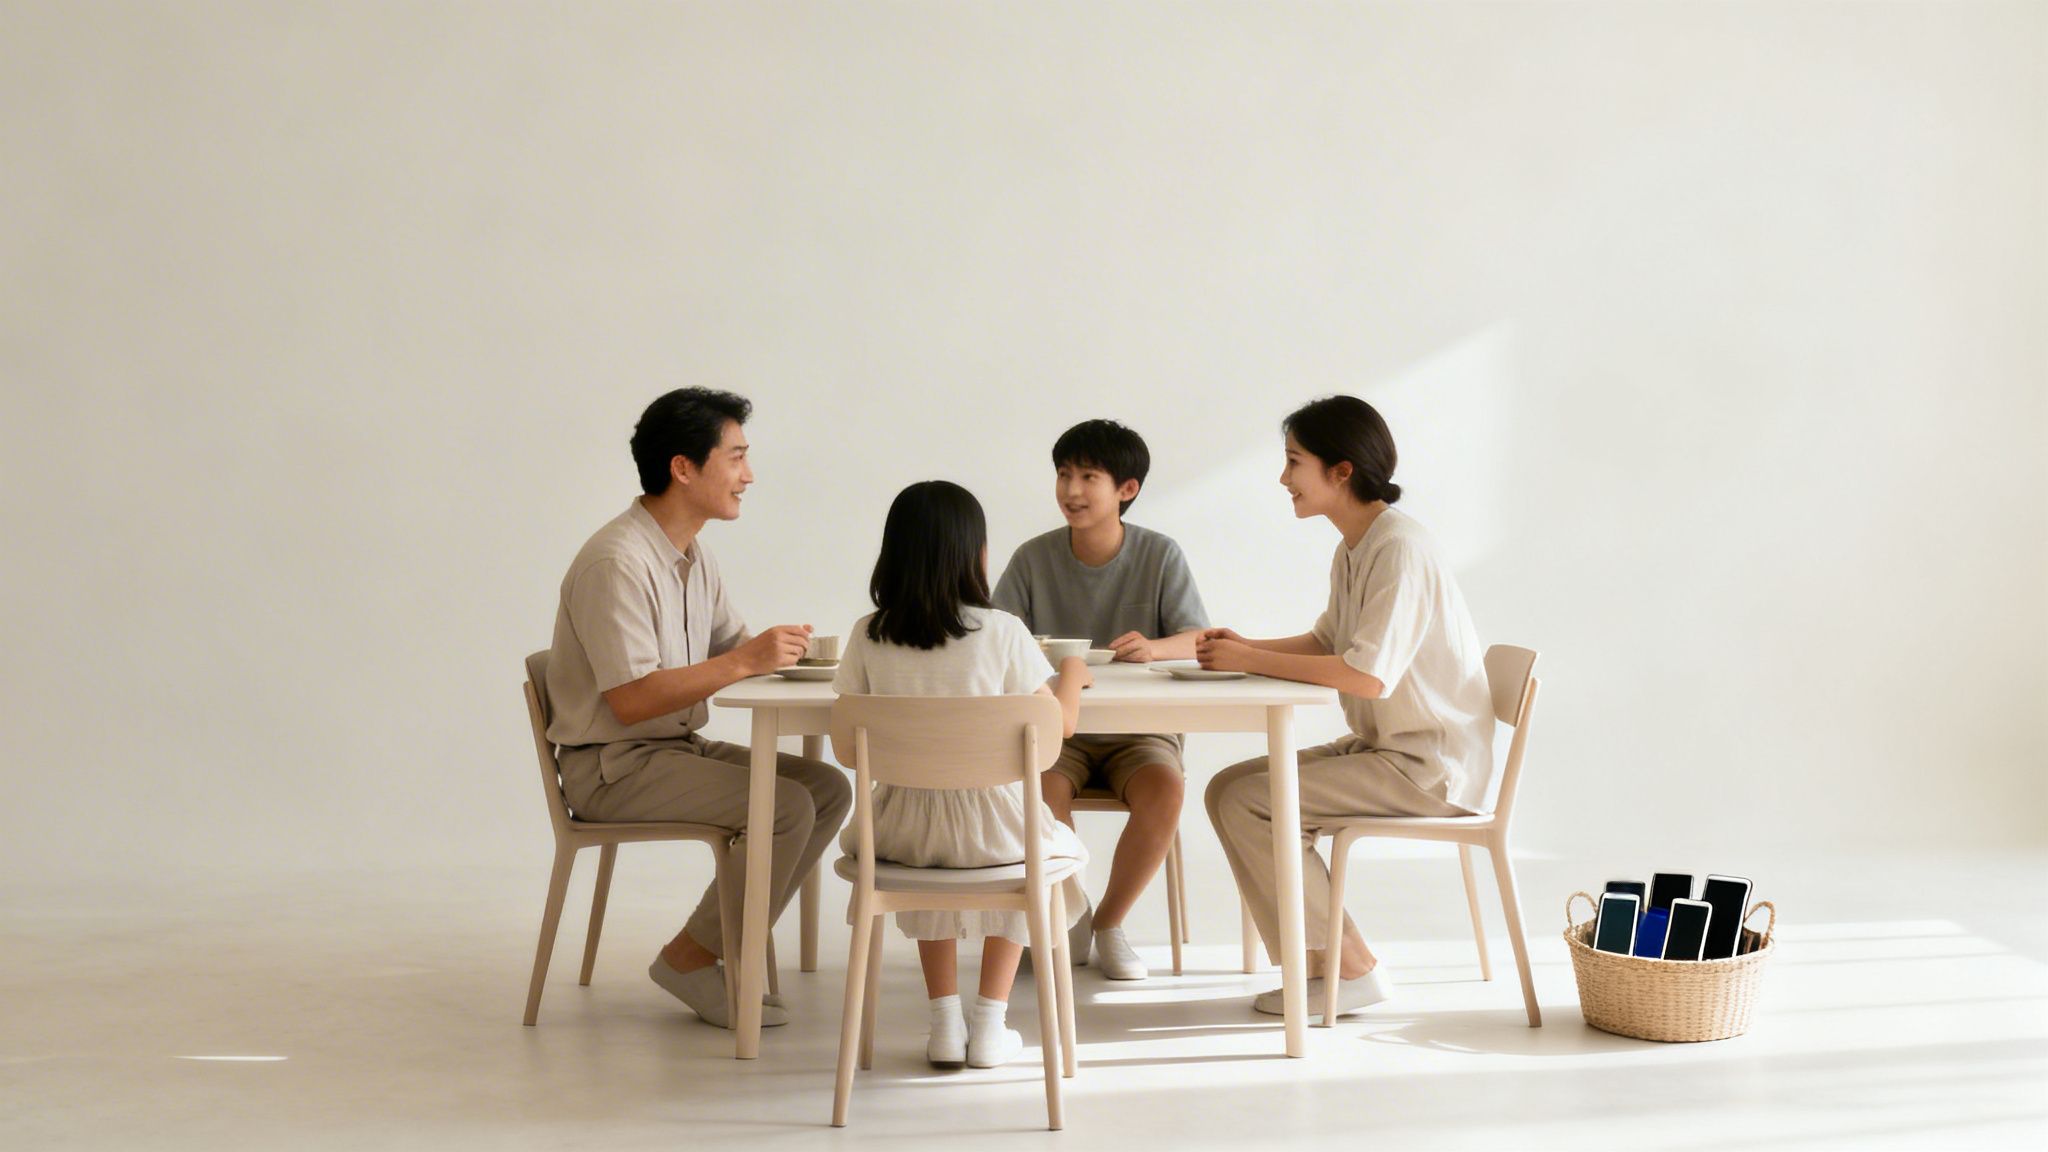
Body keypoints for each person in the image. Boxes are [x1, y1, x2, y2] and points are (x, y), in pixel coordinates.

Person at [545, 388, 852, 1029]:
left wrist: (792, 653)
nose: (749, 475)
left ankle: (715, 952)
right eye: (736, 457)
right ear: (684, 467)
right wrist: (746, 661)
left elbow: (730, 647)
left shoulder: (691, 554)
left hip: (671, 750)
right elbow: (631, 701)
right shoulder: (617, 562)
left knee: (823, 787)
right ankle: (691, 958)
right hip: (612, 767)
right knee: (786, 805)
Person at [1198, 395, 1494, 1017]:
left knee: (1250, 801)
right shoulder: (1357, 546)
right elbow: (1328, 642)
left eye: (1293, 462)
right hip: (1392, 750)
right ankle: (1324, 967)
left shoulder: (1400, 548)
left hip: (1428, 768)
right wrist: (1245, 644)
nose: (1284, 479)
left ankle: (1350, 970)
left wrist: (1249, 661)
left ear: (1341, 471)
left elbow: (1365, 677)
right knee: (1228, 786)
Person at [834, 480, 1091, 1069]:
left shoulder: (868, 634)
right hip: (995, 833)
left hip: (897, 835)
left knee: (935, 851)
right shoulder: (1003, 632)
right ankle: (990, 1021)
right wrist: (1072, 671)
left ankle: (944, 1023)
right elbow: (1057, 731)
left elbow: (848, 743)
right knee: (1030, 851)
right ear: (973, 554)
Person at [991, 419, 1208, 980]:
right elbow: (996, 637)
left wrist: (1155, 648)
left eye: (1089, 476)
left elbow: (1199, 639)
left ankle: (1109, 923)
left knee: (1167, 789)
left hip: (1141, 734)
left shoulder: (1160, 555)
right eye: (1064, 475)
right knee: (1042, 794)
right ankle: (1070, 919)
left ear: (1126, 490)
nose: (1072, 490)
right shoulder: (1033, 559)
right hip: (1060, 732)